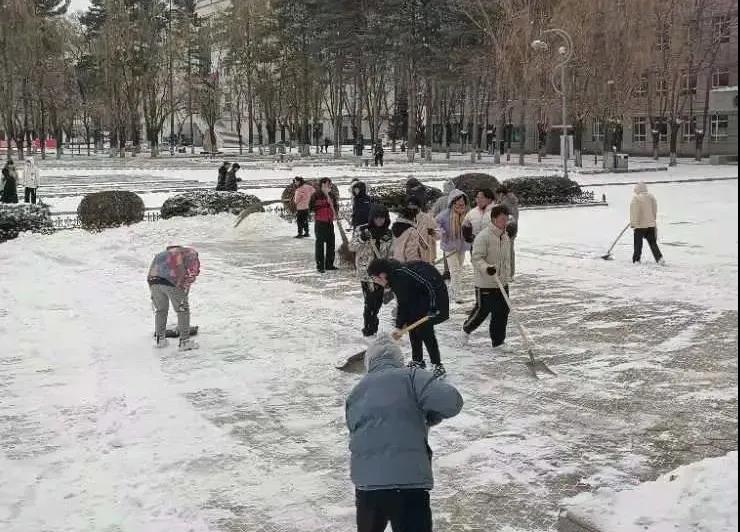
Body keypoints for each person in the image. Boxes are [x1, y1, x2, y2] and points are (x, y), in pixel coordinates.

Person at [346, 333, 463, 532]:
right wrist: (429, 415)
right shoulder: (412, 377)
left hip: (367, 487)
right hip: (409, 484)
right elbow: (452, 402)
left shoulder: (356, 391)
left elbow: (354, 430)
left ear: (369, 361)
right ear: (398, 359)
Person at [368, 258, 450, 377]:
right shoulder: (394, 275)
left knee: (425, 330)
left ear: (382, 275)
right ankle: (417, 360)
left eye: (374, 278)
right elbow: (404, 303)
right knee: (412, 323)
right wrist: (400, 326)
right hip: (420, 295)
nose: (375, 282)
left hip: (435, 298)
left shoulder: (399, 277)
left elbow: (404, 303)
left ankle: (437, 365)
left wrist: (433, 307)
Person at [462, 205, 513, 349]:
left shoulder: (505, 236)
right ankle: (466, 329)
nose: (505, 222)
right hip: (486, 282)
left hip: (501, 282)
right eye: (502, 219)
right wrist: (487, 268)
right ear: (494, 219)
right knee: (482, 311)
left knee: (502, 311)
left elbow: (506, 259)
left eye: (506, 219)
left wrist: (507, 274)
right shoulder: (483, 236)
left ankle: (498, 342)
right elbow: (476, 258)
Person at [349, 204, 393, 337]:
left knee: (378, 301)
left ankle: (373, 320)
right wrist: (362, 238)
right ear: (372, 217)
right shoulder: (362, 230)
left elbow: (390, 253)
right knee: (369, 300)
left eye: (382, 217)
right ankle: (369, 327)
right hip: (366, 271)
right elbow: (351, 247)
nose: (380, 220)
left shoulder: (388, 234)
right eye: (377, 217)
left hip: (381, 273)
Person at [147, 245, 201, 351]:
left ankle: (160, 340)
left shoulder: (161, 255)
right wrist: (184, 288)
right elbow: (192, 272)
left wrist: (153, 292)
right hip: (171, 281)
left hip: (153, 281)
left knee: (161, 310)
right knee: (182, 310)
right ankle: (185, 342)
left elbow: (151, 271)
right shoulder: (190, 253)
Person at [436, 189, 471, 304]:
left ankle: (452, 290)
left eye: (462, 203)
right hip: (449, 246)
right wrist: (441, 233)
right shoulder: (445, 214)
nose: (460, 205)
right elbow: (436, 226)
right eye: (458, 203)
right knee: (455, 270)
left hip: (462, 246)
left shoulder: (468, 214)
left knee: (458, 270)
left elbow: (474, 225)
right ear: (452, 202)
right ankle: (457, 294)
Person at [309, 177, 339, 273]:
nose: (327, 186)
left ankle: (329, 264)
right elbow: (311, 208)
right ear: (321, 185)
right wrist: (322, 205)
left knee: (331, 244)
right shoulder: (316, 195)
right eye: (325, 184)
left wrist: (335, 213)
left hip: (329, 222)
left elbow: (336, 206)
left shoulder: (332, 195)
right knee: (320, 245)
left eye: (329, 184)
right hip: (320, 223)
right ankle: (320, 266)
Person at [630, 182, 665, 265]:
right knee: (653, 243)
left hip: (640, 225)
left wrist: (633, 223)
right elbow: (654, 209)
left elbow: (634, 212)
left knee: (638, 243)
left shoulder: (636, 198)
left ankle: (636, 260)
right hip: (651, 225)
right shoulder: (651, 197)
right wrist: (653, 219)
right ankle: (659, 258)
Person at [431, 180, 455, 280]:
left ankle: (447, 271)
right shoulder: (459, 199)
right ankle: (454, 269)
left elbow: (433, 213)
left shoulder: (440, 200)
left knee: (446, 250)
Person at [495, 185, 520, 275]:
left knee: (506, 252)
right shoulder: (513, 201)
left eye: (498, 195)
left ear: (501, 194)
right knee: (510, 251)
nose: (497, 197)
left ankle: (507, 273)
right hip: (513, 228)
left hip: (506, 228)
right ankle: (511, 273)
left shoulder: (504, 203)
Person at [407, 196, 437, 264]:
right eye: (409, 206)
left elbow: (434, 236)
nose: (411, 209)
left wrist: (432, 257)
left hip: (425, 256)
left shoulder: (427, 218)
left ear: (418, 206)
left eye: (413, 206)